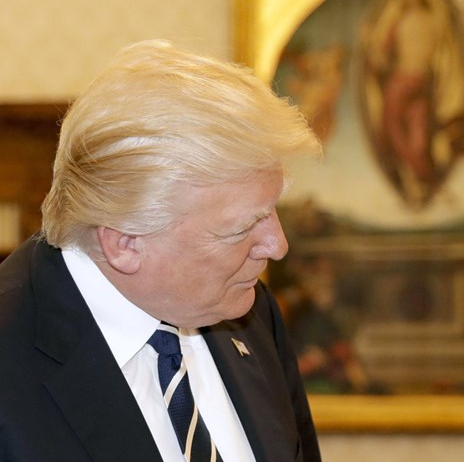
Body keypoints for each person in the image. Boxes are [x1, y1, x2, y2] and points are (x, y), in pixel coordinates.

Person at [0, 40, 322, 462]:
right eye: (244, 226)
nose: (277, 246)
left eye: (272, 211)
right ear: (125, 243)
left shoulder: (250, 315)